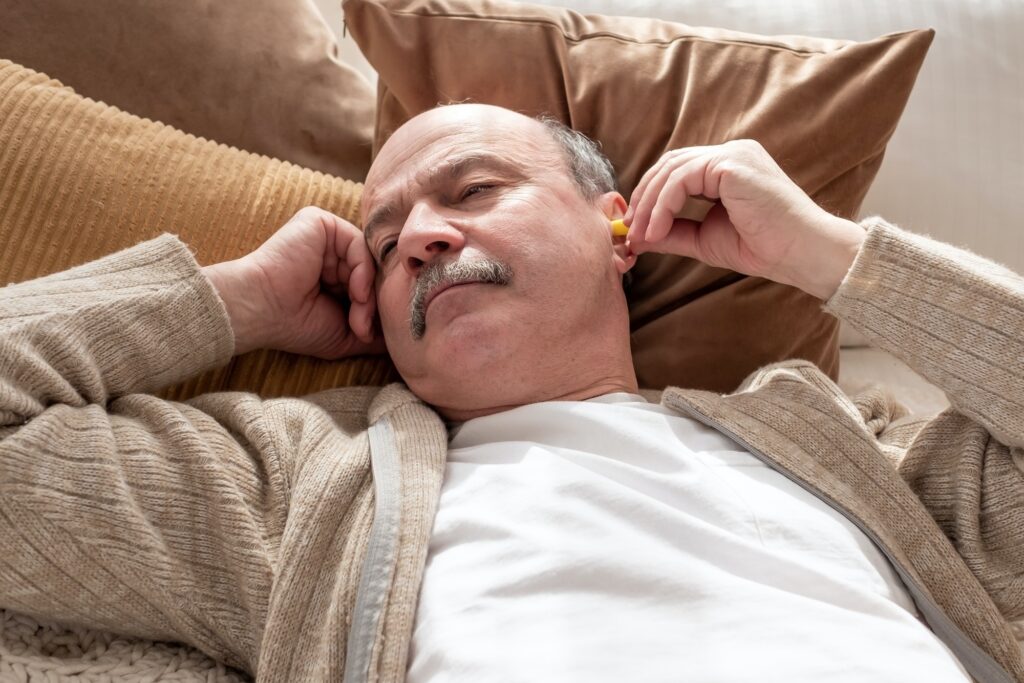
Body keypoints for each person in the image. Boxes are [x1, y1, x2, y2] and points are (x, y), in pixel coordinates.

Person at [1, 103, 1021, 683]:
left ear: (616, 225)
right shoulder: (300, 481)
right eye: (385, 243)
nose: (423, 238)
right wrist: (230, 301)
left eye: (475, 190)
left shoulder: (840, 451)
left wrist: (832, 256)